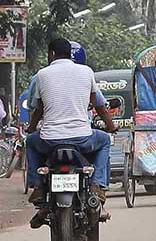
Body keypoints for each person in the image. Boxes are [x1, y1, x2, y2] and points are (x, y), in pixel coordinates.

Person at [26, 38, 117, 229]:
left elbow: (38, 109)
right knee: (105, 141)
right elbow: (99, 105)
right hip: (82, 139)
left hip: (50, 139)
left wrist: (31, 128)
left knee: (31, 142)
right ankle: (96, 185)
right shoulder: (86, 72)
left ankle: (38, 186)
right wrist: (110, 126)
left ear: (51, 54)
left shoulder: (42, 75)